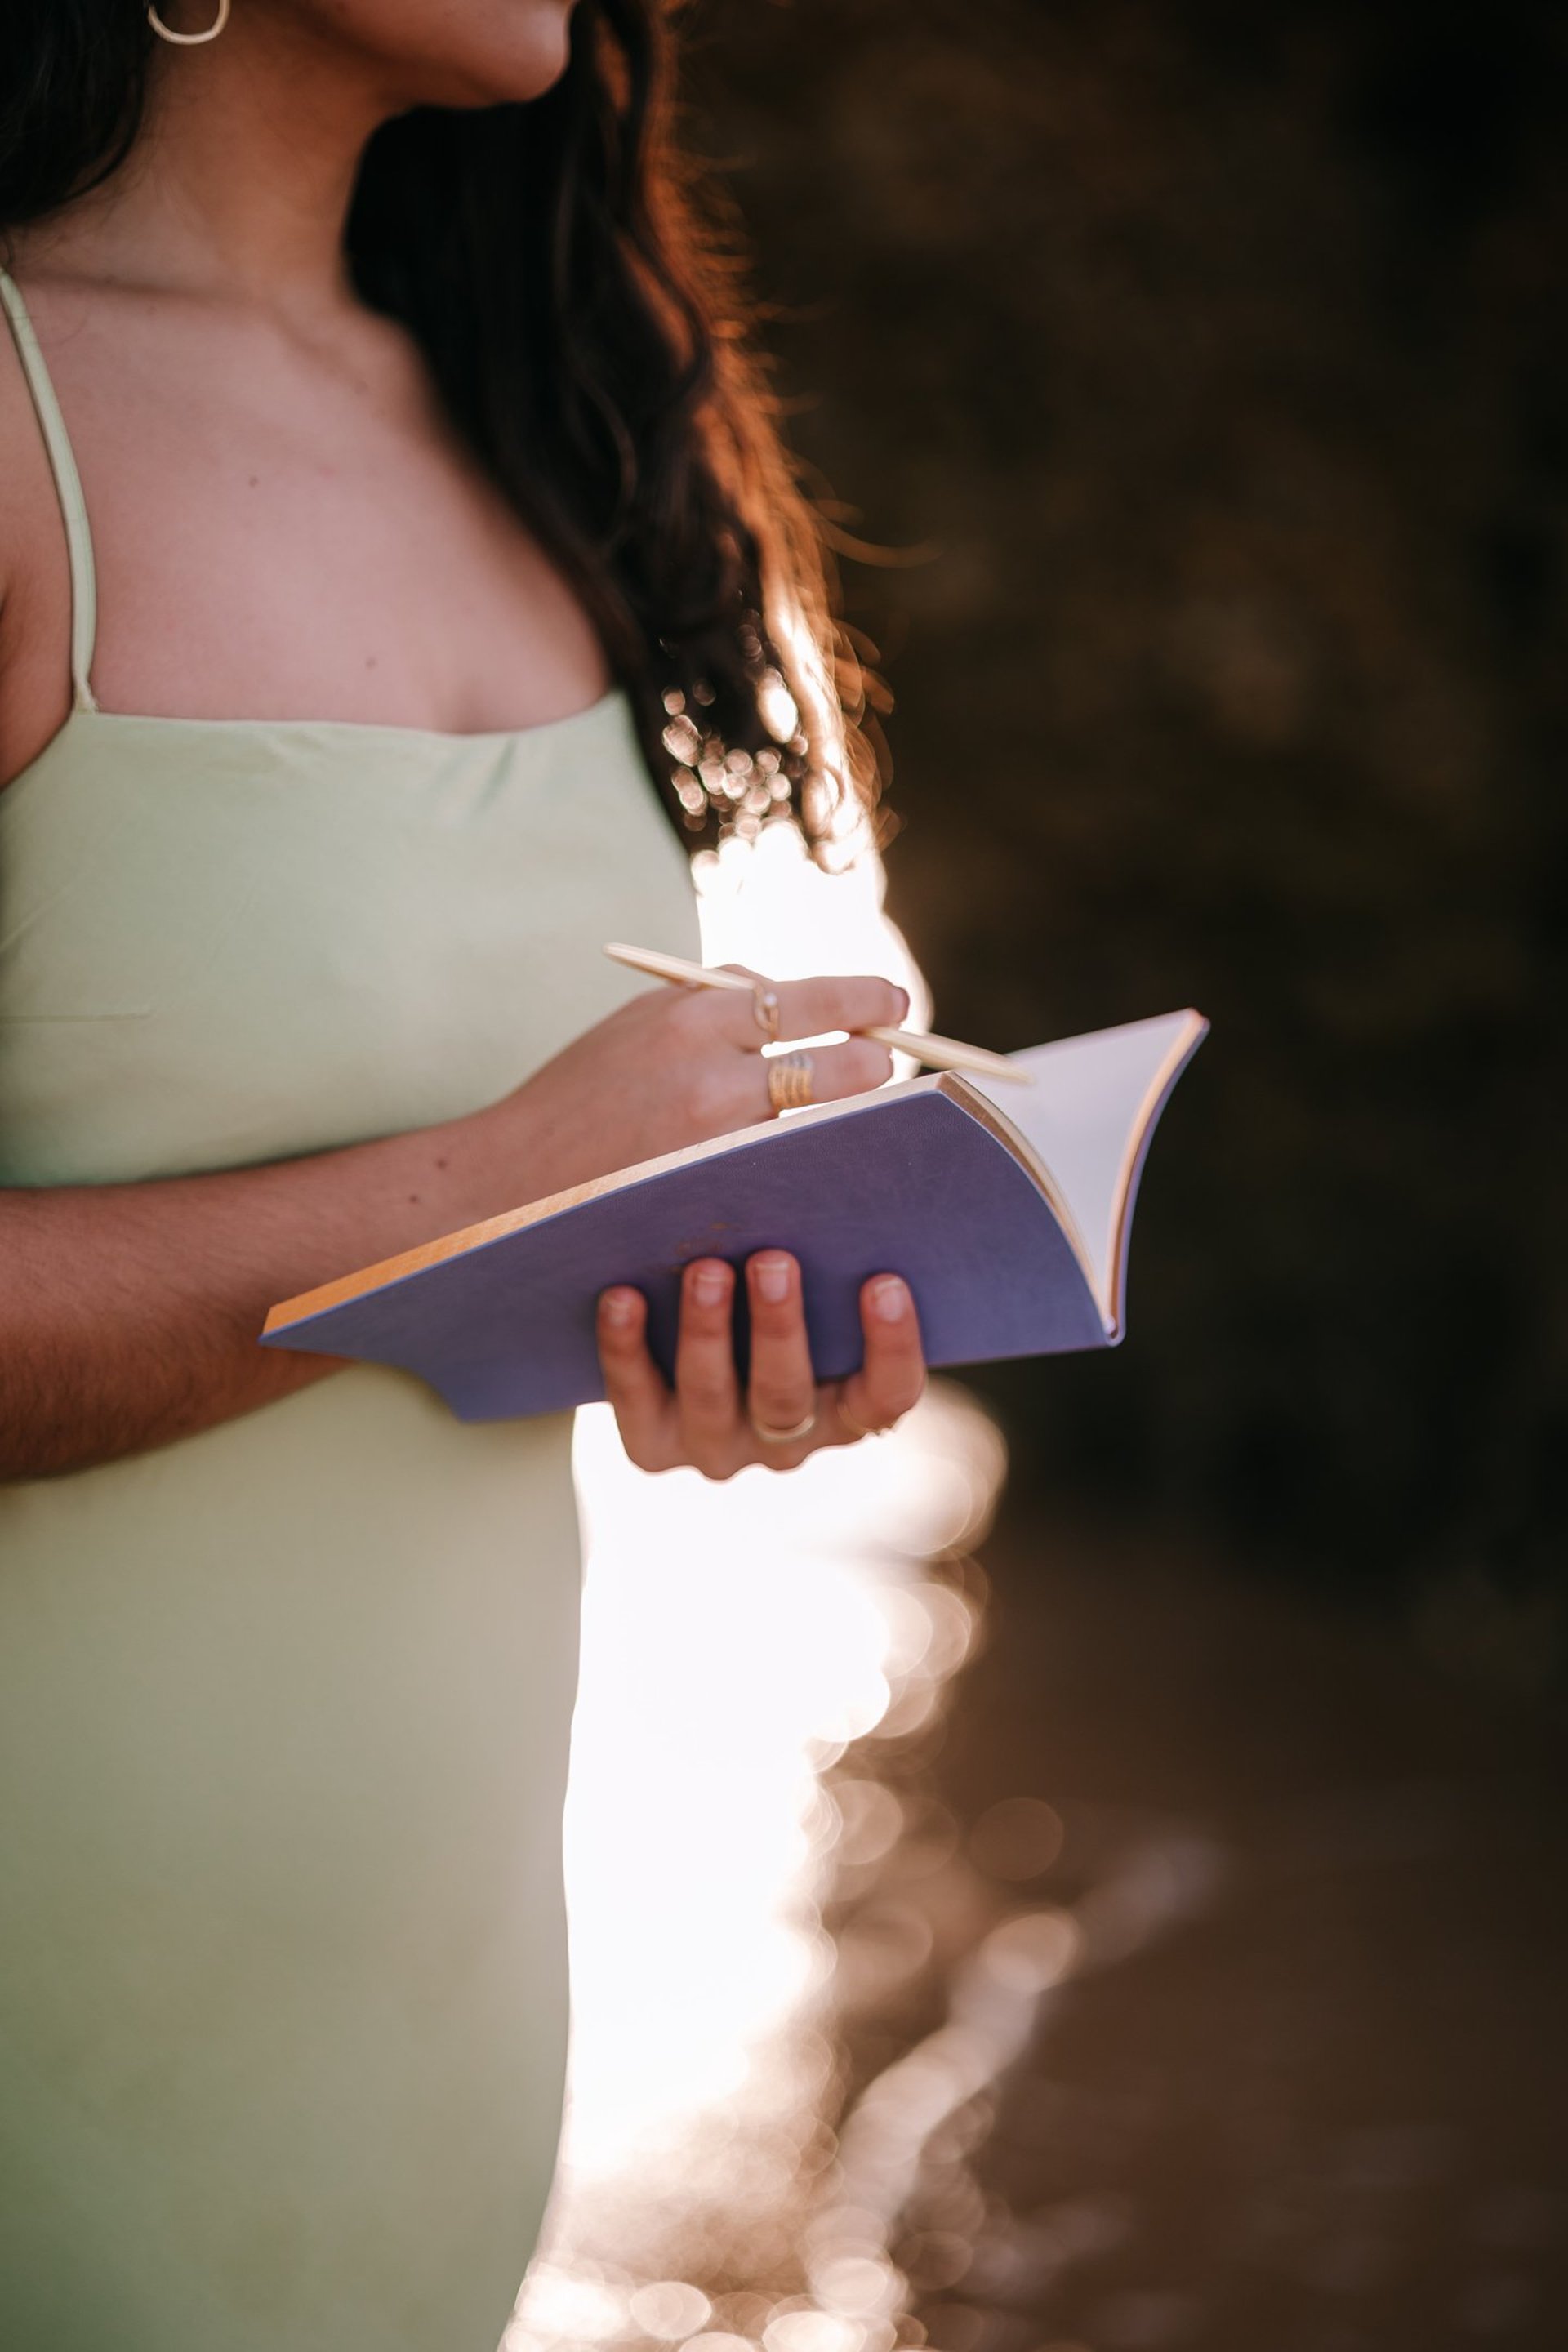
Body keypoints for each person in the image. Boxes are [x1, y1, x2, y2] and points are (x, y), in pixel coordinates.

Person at [0, 5, 928, 2345]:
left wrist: (702, 1303)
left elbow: (483, 1230)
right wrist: (501, 1181)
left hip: (418, 2035)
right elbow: (464, 1176)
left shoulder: (534, 422)